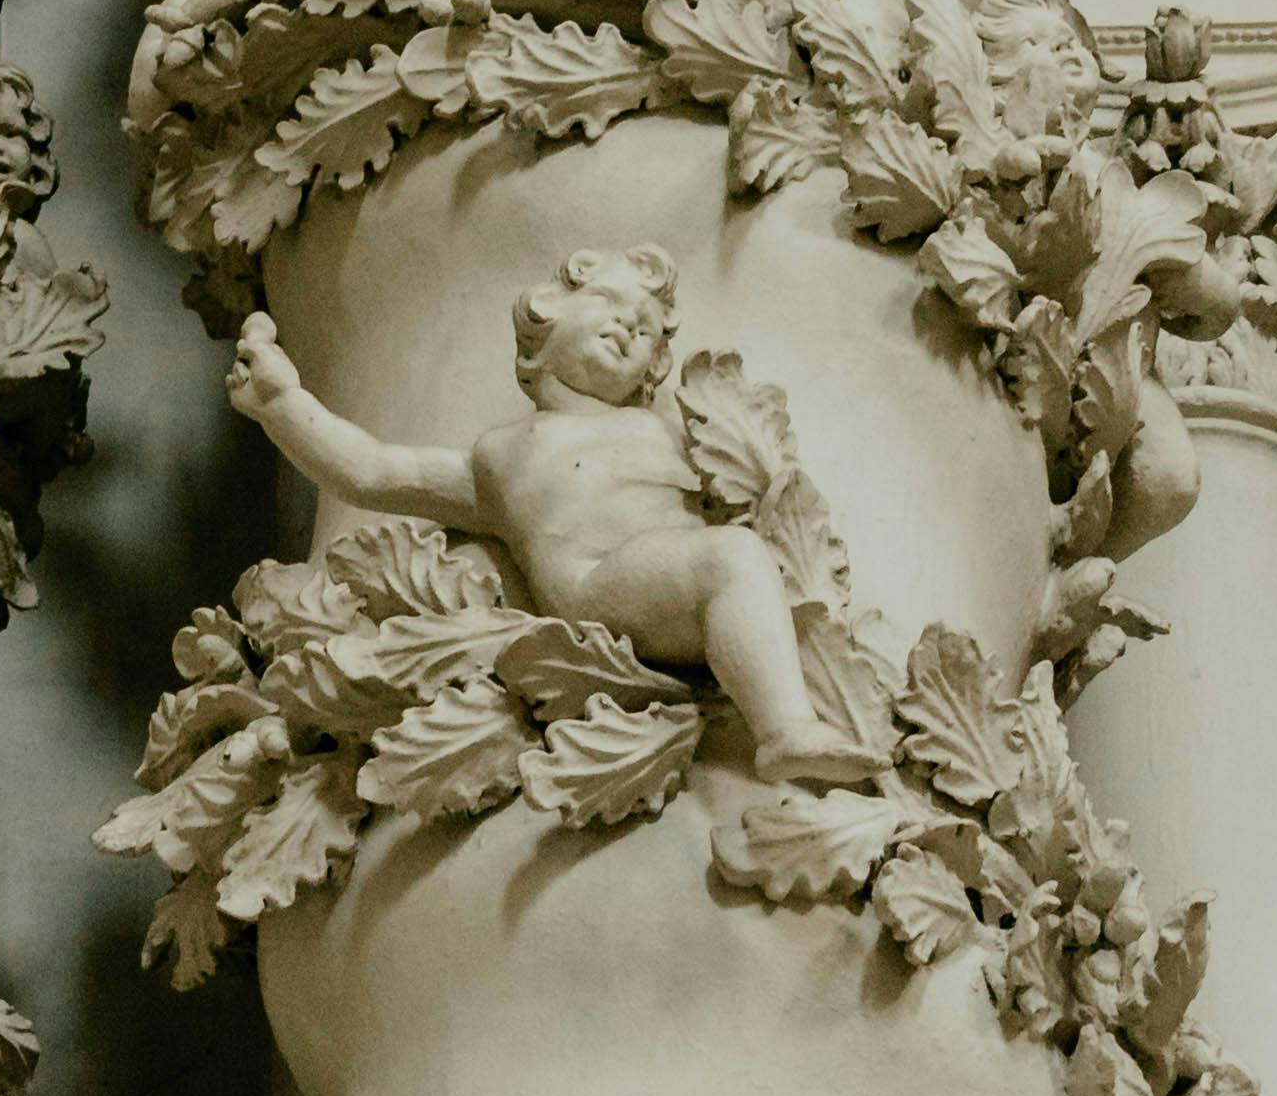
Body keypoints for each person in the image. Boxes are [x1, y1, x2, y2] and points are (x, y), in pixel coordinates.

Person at [229, 245, 883, 790]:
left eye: (647, 329)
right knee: (730, 557)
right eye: (611, 305)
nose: (631, 326)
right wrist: (281, 403)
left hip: (679, 577)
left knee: (733, 556)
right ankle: (784, 732)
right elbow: (370, 471)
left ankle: (776, 707)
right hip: (597, 588)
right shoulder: (503, 456)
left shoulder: (661, 432)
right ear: (545, 315)